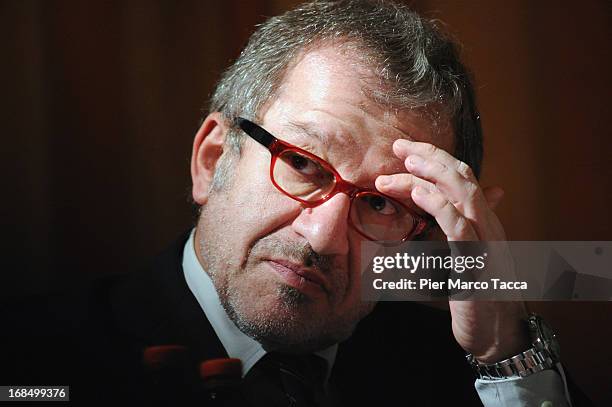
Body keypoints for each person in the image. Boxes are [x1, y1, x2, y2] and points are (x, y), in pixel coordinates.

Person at [0, 1, 591, 406]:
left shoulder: (468, 378)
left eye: (380, 206)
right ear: (213, 161)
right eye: (304, 164)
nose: (322, 238)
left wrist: (502, 353)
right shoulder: (33, 365)